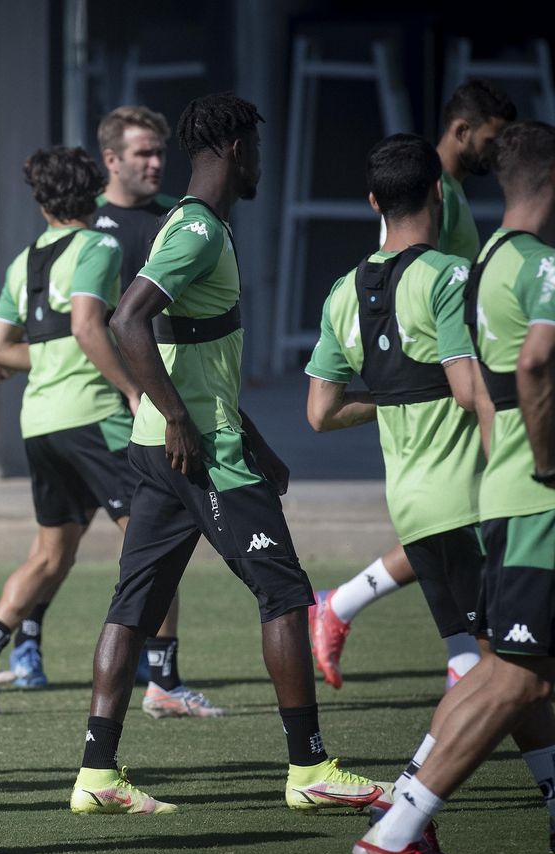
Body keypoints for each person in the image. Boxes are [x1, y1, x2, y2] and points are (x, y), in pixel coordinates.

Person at [68, 93, 383, 815]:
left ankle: (96, 775)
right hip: (200, 450)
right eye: (258, 148)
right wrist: (182, 420)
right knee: (286, 594)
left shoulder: (191, 223)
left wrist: (255, 437)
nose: (261, 162)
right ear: (238, 149)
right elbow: (128, 319)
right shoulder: (198, 230)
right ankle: (309, 768)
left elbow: (194, 356)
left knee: (133, 606)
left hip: (168, 447)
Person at [352, 119, 555, 854]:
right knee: (519, 678)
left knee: (508, 669)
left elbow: (323, 406)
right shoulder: (530, 265)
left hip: (487, 494)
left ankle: (403, 810)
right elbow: (531, 364)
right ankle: (394, 833)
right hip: (524, 496)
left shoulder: (488, 259)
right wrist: (544, 460)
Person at [0, 145, 219, 718]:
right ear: (94, 192)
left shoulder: (24, 260)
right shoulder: (100, 246)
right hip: (94, 417)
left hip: (40, 423)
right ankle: (164, 681)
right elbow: (88, 326)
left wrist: (52, 358)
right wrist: (133, 388)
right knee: (156, 538)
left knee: (51, 554)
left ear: (41, 202)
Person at [311, 78, 519, 689]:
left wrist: (396, 387)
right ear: (436, 191)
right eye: (492, 138)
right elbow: (465, 385)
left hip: (411, 491)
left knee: (477, 670)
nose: (497, 152)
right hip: (464, 486)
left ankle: (342, 606)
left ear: (373, 201)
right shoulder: (445, 268)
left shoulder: (341, 291)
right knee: (511, 675)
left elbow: (320, 413)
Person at [2, 105, 186, 692]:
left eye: (159, 152)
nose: (155, 162)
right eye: (142, 153)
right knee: (138, 531)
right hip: (107, 405)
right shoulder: (83, 229)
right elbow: (77, 327)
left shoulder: (177, 220)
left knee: (67, 541)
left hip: (141, 396)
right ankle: (154, 675)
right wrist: (128, 386)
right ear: (111, 160)